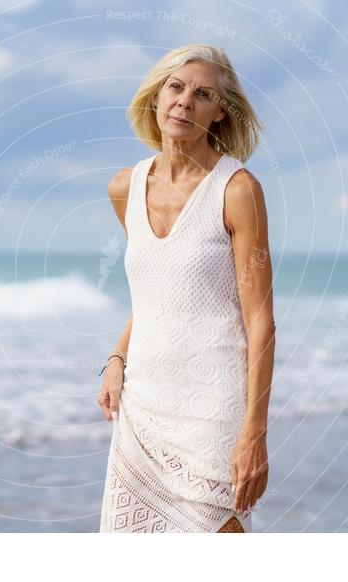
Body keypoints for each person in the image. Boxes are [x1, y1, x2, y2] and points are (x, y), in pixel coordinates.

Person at [96, 44, 275, 533]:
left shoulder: (237, 190)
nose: (184, 101)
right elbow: (159, 294)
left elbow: (260, 320)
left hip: (213, 407)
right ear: (156, 97)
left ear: (220, 112)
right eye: (175, 87)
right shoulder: (124, 188)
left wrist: (254, 434)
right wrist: (116, 359)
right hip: (144, 402)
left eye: (202, 94)